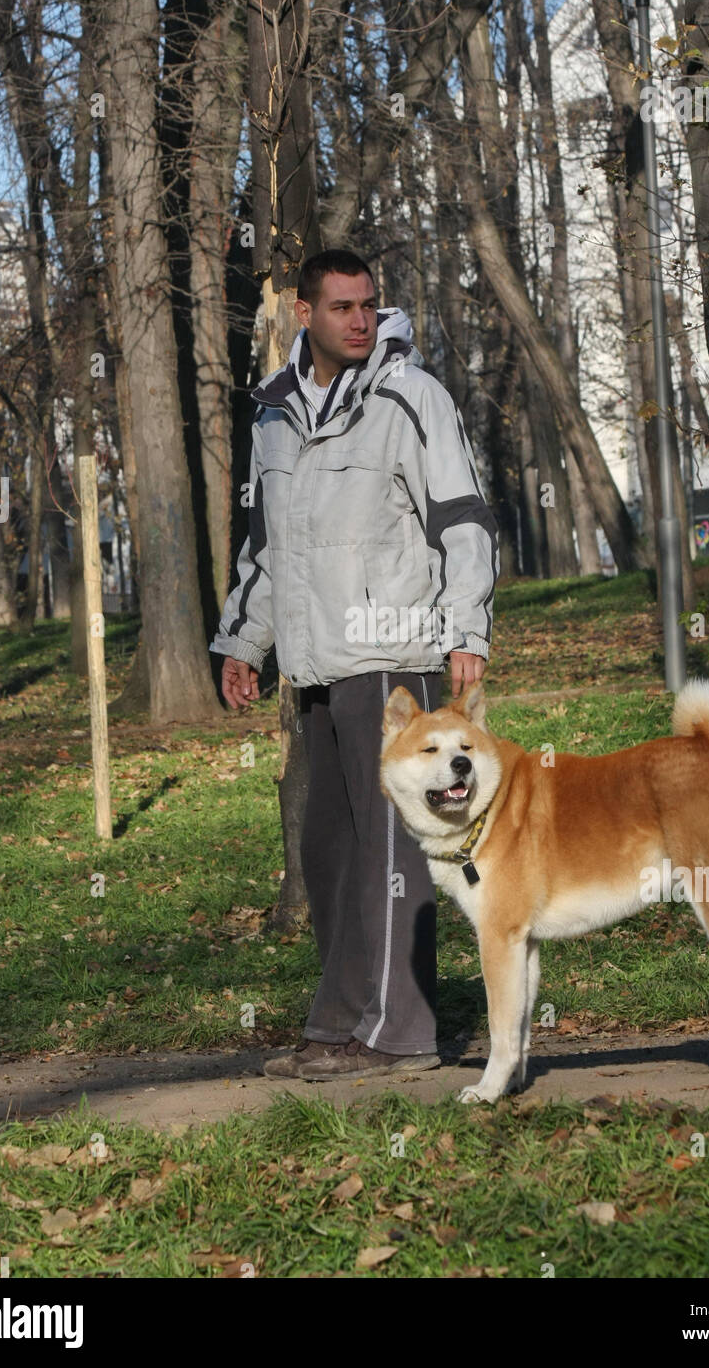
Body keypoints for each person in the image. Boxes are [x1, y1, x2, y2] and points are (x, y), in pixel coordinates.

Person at [210, 248, 498, 1080]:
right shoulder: (272, 416)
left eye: (368, 305)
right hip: (315, 665)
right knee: (329, 853)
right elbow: (269, 548)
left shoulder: (410, 397)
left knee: (390, 855)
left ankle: (397, 1033)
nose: (360, 321)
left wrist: (465, 629)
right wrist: (242, 642)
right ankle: (338, 1022)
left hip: (392, 657)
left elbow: (462, 517)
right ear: (304, 313)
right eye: (341, 307)